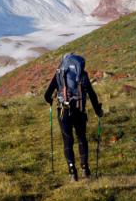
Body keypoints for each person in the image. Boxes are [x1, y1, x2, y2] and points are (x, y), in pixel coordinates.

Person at [44, 53, 103, 181]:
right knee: (82, 138)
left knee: (68, 141)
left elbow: (47, 95)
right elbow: (92, 94)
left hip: (63, 111)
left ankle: (72, 172)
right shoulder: (83, 74)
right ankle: (85, 169)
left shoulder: (59, 73)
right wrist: (98, 110)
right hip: (79, 110)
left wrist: (51, 100)